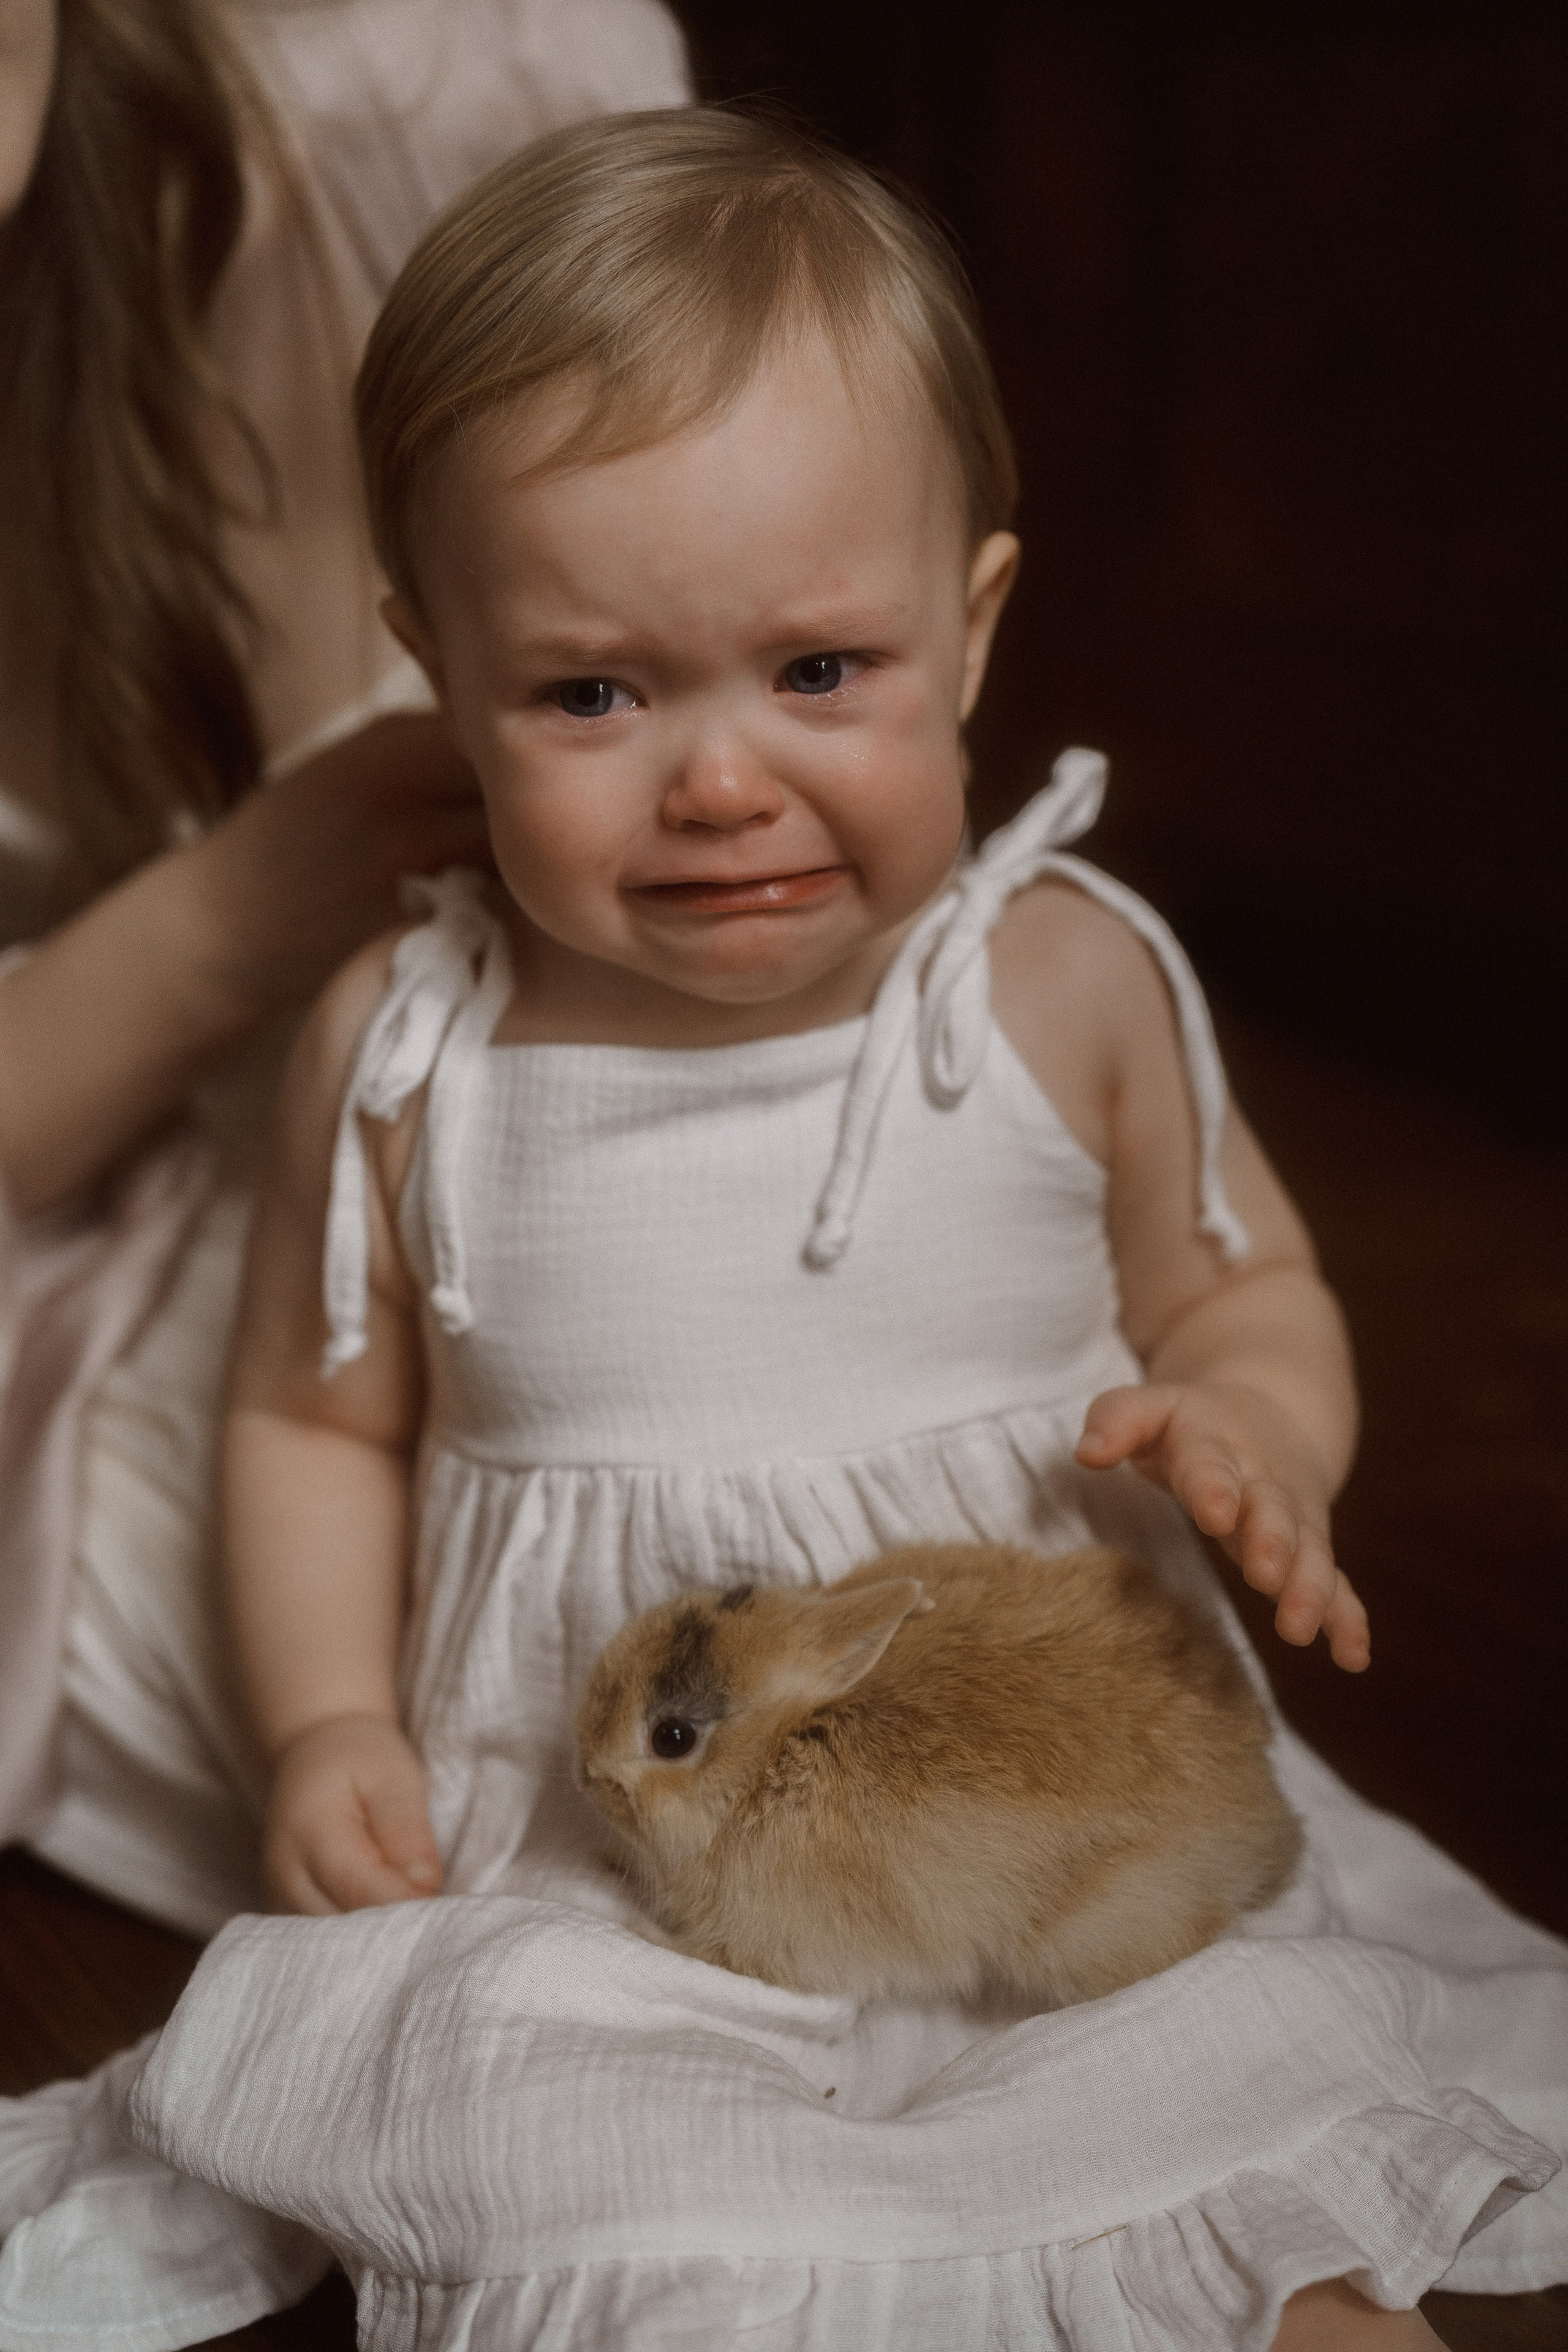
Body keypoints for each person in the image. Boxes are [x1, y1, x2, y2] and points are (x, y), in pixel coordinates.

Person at [182, 108, 1564, 2350]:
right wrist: (324, 1718)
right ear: (435, 664)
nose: (720, 780)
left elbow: (1245, 1281)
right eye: (592, 694)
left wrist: (1255, 1424)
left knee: (1219, 2107)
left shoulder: (1060, 984)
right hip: (607, 1852)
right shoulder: (418, 1043)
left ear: (974, 624)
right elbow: (307, 1419)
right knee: (582, 2167)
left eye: (820, 672)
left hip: (1039, 1799)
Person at [0, 0, 691, 1932]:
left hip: (603, 1093)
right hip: (159, 1213)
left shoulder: (469, 75)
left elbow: (791, 662)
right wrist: (245, 904)